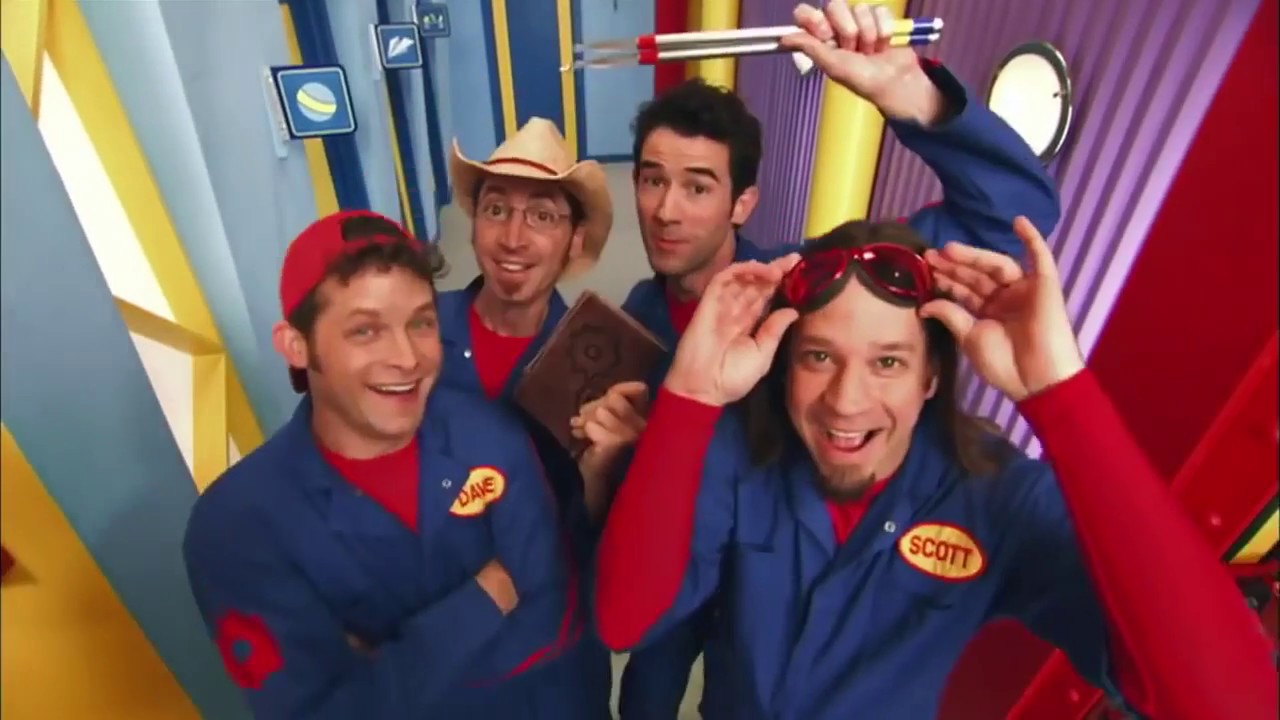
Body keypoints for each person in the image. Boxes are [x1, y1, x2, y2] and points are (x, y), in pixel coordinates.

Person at [594, 217, 1279, 719]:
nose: (847, 401)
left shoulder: (994, 495)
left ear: (931, 378)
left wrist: (1061, 396)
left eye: (888, 362)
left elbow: (1231, 702)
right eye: (819, 357)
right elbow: (627, 622)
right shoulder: (741, 450)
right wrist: (689, 397)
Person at [599, 2, 1063, 716]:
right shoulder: (635, 314)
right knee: (647, 690)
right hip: (683, 559)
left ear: (742, 202)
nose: (666, 211)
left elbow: (1015, 216)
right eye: (652, 179)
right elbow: (627, 609)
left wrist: (914, 100)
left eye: (697, 186)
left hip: (776, 571)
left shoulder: (817, 282)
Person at [183, 211, 581, 719]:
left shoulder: (491, 436)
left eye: (421, 323)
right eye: (366, 330)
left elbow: (549, 614)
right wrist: (490, 594)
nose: (407, 358)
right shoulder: (235, 526)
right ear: (297, 346)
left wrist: (387, 665)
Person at [433, 118, 627, 717]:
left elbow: (614, 540)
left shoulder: (602, 363)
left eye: (542, 216)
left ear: (574, 238)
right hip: (436, 639)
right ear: (473, 224)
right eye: (496, 210)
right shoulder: (416, 333)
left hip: (553, 656)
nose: (513, 238)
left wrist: (603, 470)